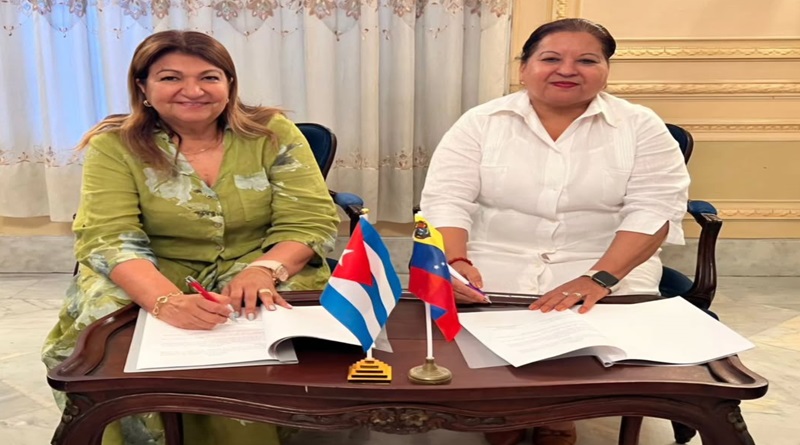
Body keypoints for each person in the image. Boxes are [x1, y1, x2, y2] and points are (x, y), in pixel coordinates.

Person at [41, 30, 339, 445]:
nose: (193, 91)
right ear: (143, 88)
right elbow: (110, 237)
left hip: (258, 259)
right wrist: (166, 301)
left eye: (209, 77)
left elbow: (308, 220)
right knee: (115, 330)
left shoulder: (272, 133)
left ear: (229, 84)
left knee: (269, 324)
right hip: (150, 266)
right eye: (171, 78)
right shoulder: (114, 145)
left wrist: (264, 269)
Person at [419, 18, 690, 445]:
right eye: (550, 59)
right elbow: (447, 199)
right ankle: (500, 410)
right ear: (523, 68)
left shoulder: (640, 126)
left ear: (606, 70)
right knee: (480, 332)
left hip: (603, 260)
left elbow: (654, 210)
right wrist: (454, 262)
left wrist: (599, 277)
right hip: (494, 257)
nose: (567, 70)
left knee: (587, 333)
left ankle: (563, 411)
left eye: (587, 61)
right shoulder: (480, 123)